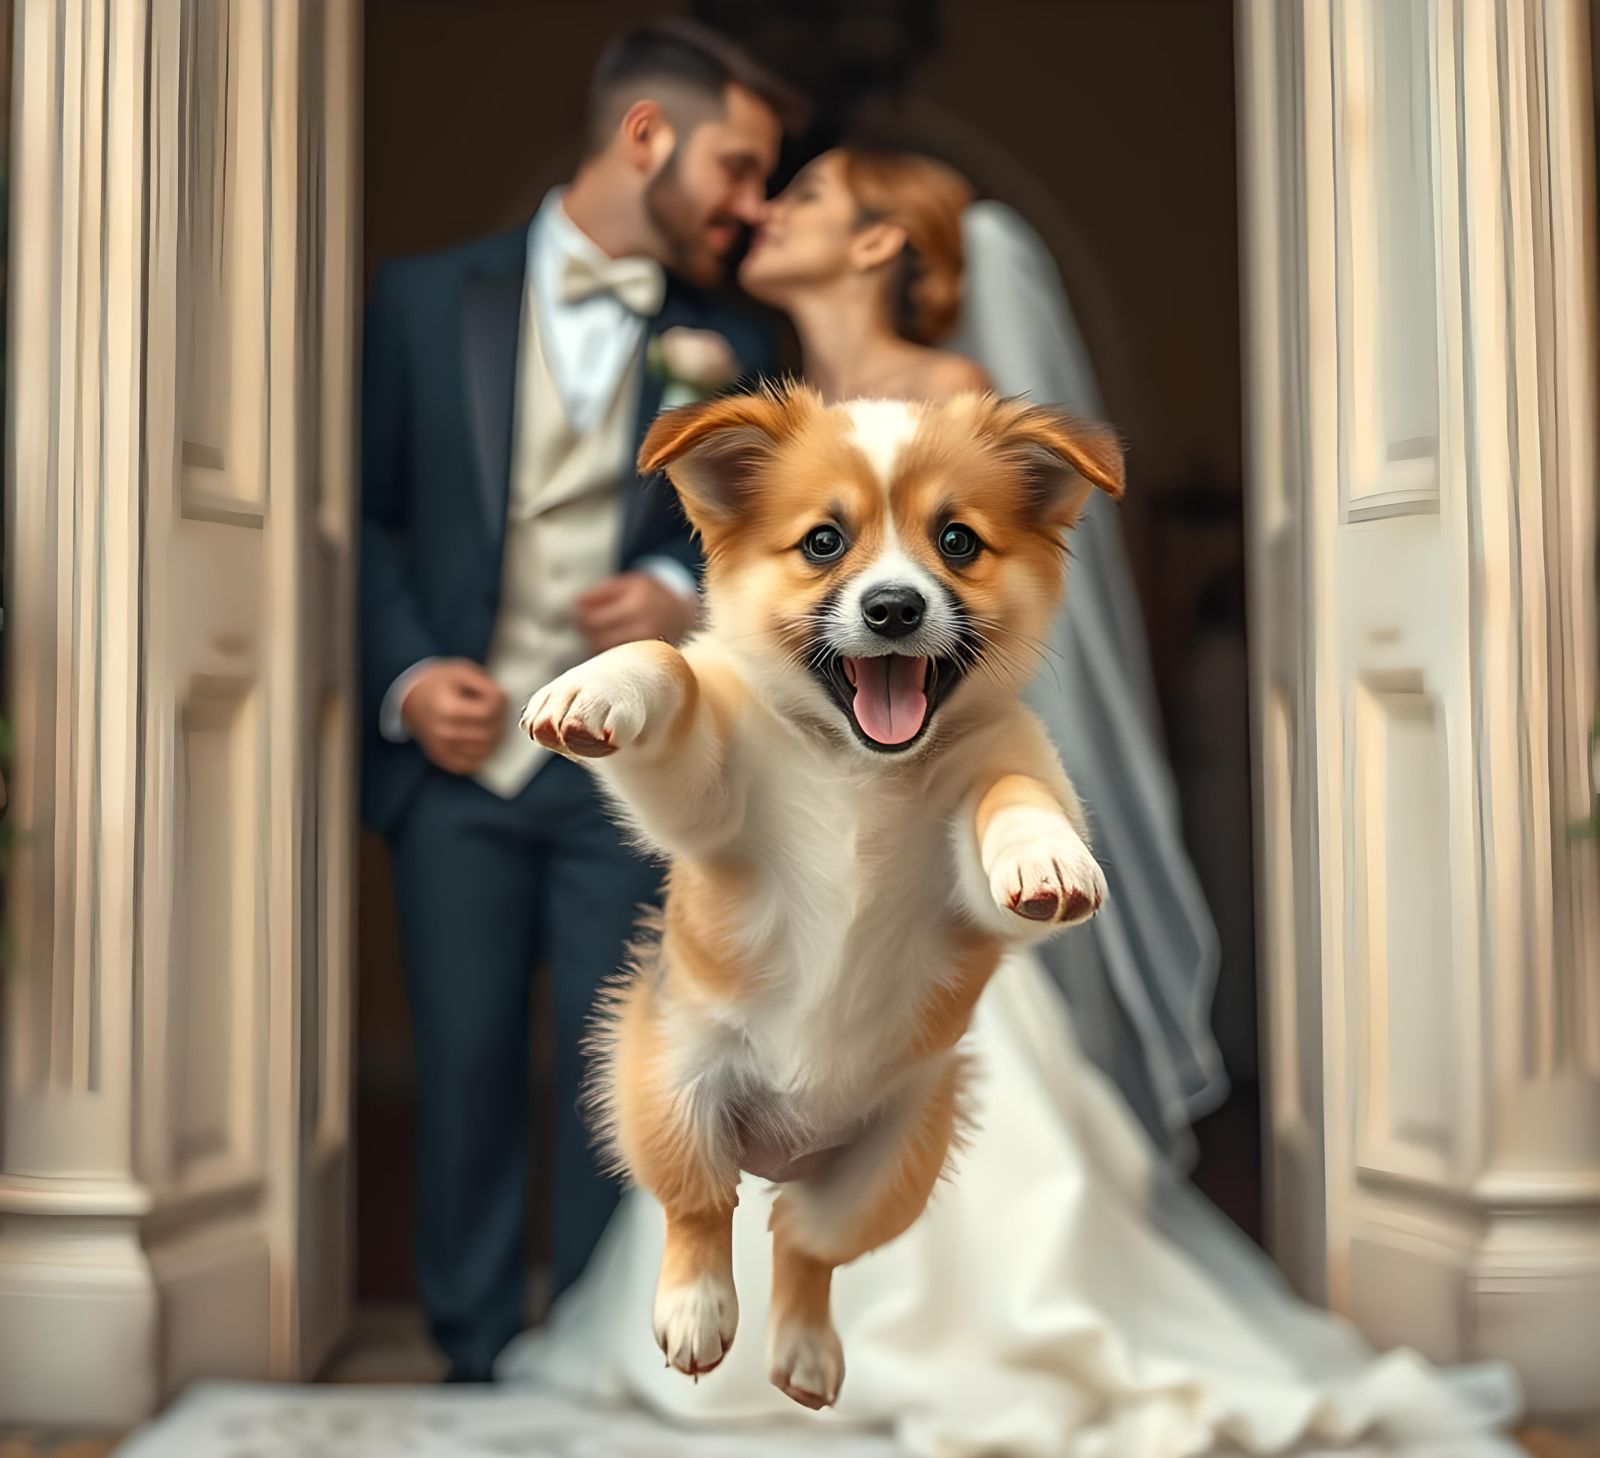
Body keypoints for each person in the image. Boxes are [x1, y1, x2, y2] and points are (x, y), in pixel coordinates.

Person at [498, 150, 1521, 1456]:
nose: (764, 210)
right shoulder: (765, 389)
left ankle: (947, 1324)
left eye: (803, 198)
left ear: (878, 244)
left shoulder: (956, 404)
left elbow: (988, 634)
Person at [358, 20, 805, 1383]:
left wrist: (674, 585)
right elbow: (359, 517)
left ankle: (608, 1360)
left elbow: (774, 543)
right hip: (460, 770)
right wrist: (407, 676)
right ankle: (475, 1361)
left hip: (635, 775)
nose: (753, 205)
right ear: (646, 137)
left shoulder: (740, 341)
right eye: (739, 167)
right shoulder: (420, 301)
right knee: (464, 1068)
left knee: (631, 1078)